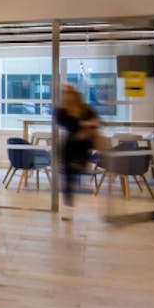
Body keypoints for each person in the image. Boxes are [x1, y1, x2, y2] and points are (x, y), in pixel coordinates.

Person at [54, 84, 101, 220]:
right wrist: (85, 124)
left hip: (83, 149)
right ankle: (68, 207)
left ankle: (72, 199)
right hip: (68, 148)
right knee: (68, 179)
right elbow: (69, 125)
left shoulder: (86, 109)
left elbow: (96, 122)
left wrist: (85, 127)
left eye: (69, 93)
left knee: (76, 174)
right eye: (65, 93)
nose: (67, 96)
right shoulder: (61, 111)